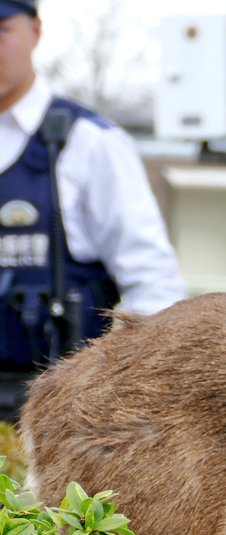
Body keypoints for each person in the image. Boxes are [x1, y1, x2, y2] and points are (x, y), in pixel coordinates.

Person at [0, 0, 186, 420]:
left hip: (53, 416)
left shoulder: (87, 143)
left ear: (35, 29)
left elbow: (153, 286)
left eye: (1, 29)